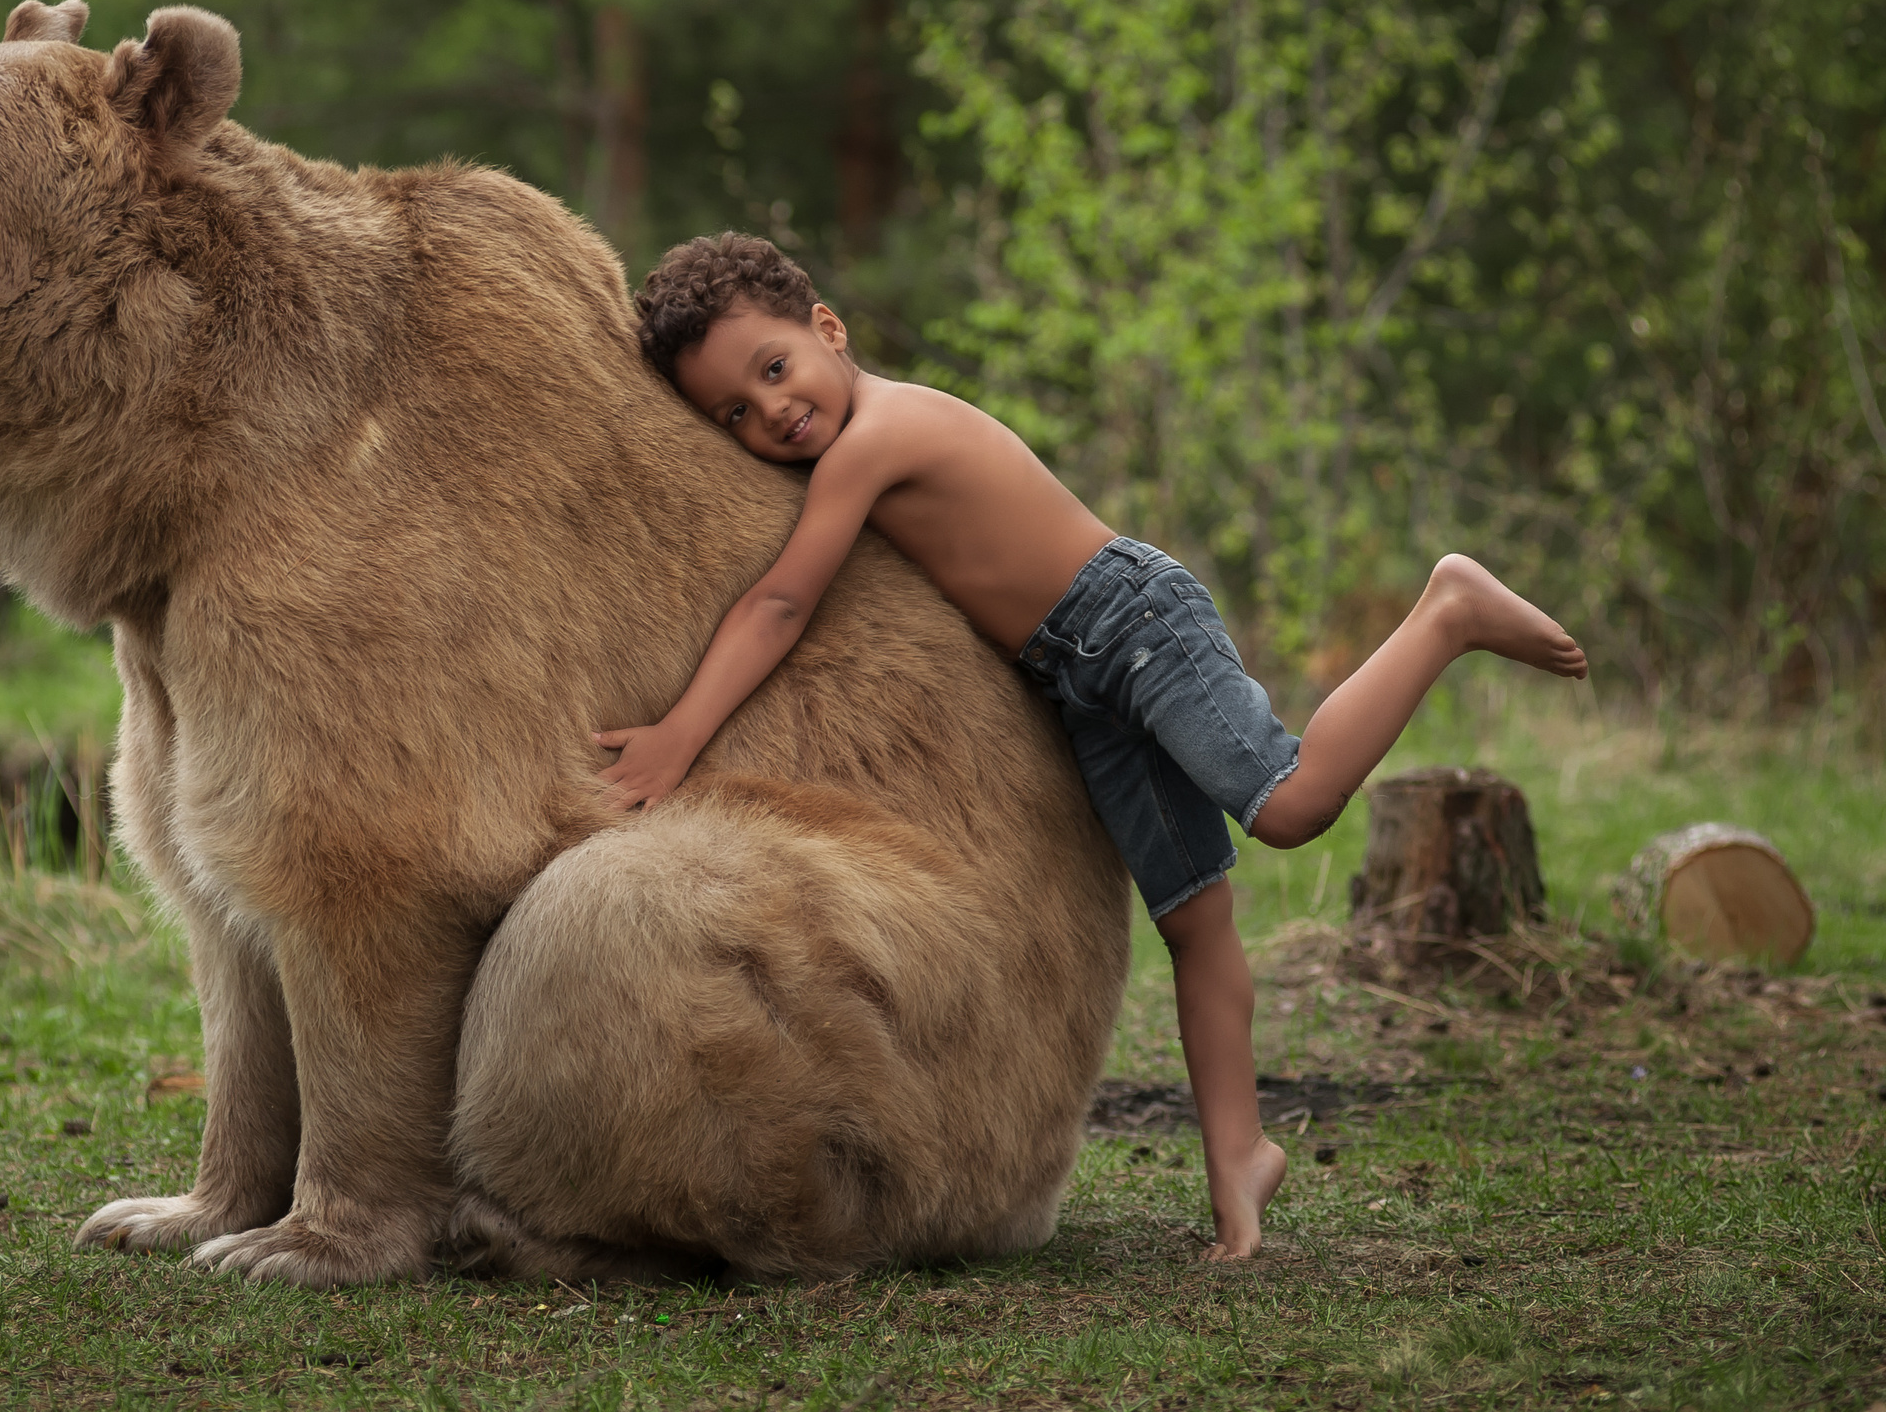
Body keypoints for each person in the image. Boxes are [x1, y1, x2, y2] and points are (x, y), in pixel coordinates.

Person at [595, 233, 1587, 1260]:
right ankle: (1238, 1157)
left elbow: (783, 600)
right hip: (1076, 678)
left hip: (1130, 624)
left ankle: (1445, 610)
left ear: (827, 331)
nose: (773, 414)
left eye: (773, 370)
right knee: (1193, 921)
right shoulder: (845, 444)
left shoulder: (876, 436)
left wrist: (678, 736)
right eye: (735, 415)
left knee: (1289, 805)